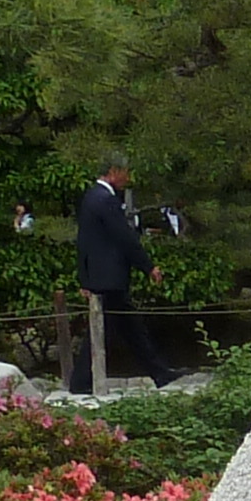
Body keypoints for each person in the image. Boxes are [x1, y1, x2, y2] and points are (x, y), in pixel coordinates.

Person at [72, 153, 167, 390]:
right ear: (114, 171)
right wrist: (148, 266)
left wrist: (84, 277)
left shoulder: (91, 197)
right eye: (125, 172)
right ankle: (80, 381)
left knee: (127, 327)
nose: (127, 178)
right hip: (109, 276)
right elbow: (125, 238)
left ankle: (160, 373)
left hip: (101, 276)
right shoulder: (105, 200)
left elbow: (83, 242)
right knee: (107, 330)